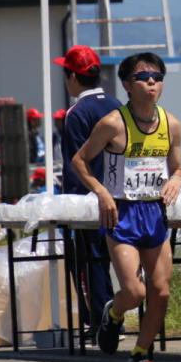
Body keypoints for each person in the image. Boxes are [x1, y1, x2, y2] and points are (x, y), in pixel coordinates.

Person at [72, 52, 181, 362]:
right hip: (121, 213)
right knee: (134, 292)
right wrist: (102, 192)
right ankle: (113, 312)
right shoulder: (112, 124)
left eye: (157, 76)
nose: (152, 82)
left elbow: (177, 168)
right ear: (126, 84)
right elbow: (80, 161)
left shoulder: (171, 124)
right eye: (143, 77)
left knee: (161, 289)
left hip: (153, 211)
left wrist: (176, 180)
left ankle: (139, 355)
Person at [53, 45, 120, 340]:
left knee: (89, 264)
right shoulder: (118, 104)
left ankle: (100, 323)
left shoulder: (76, 113)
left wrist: (71, 203)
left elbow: (74, 164)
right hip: (121, 196)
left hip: (89, 198)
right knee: (117, 260)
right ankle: (115, 318)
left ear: (72, 76)